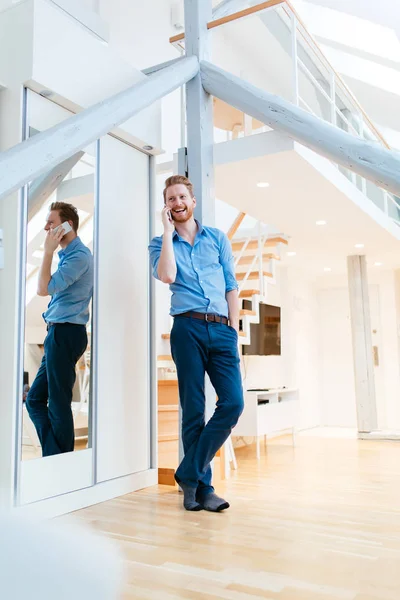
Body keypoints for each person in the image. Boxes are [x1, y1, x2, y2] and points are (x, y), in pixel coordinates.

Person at [149, 175, 244, 512]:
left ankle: (188, 473)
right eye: (171, 199)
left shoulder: (217, 238)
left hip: (221, 330)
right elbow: (168, 276)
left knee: (233, 404)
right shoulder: (160, 243)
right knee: (193, 409)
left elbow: (231, 286)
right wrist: (166, 233)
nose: (177, 203)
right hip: (186, 328)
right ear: (166, 206)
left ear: (193, 200)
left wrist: (234, 330)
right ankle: (202, 490)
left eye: (182, 197)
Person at [26, 202, 93, 457]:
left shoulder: (80, 257)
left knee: (58, 402)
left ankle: (59, 464)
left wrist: (46, 253)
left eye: (51, 222)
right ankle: (55, 457)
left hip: (66, 333)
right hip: (57, 332)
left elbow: (43, 289)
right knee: (34, 400)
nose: (46, 227)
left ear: (69, 225)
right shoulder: (68, 255)